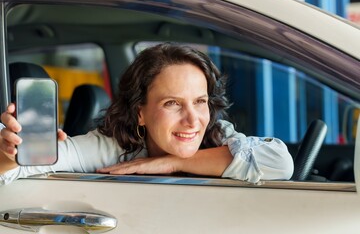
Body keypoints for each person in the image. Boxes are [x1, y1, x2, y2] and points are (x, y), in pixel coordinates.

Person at [0, 43, 293, 185]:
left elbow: (280, 162)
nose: (193, 120)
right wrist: (7, 156)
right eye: (172, 104)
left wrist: (169, 163)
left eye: (200, 101)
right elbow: (19, 169)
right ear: (140, 112)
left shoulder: (218, 134)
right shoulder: (110, 146)